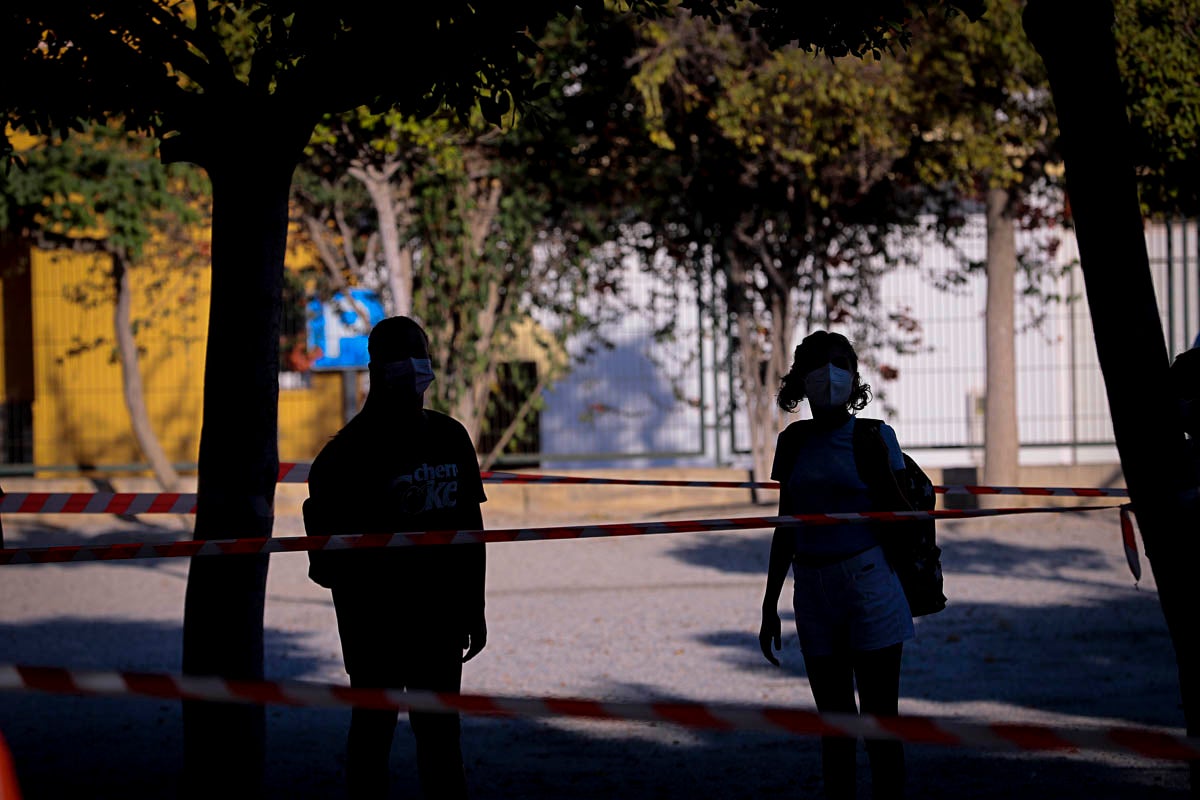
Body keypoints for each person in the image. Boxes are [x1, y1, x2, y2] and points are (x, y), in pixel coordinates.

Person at [303, 315, 487, 800]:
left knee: (442, 739)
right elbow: (324, 563)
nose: (414, 366)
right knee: (372, 735)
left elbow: (471, 530)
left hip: (441, 622)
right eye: (404, 355)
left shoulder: (451, 438)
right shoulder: (343, 459)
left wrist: (475, 607)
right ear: (377, 368)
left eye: (419, 352)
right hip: (374, 628)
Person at [758, 330, 914, 800]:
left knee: (881, 725)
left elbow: (907, 519)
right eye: (819, 364)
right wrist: (769, 604)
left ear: (854, 375)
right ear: (801, 379)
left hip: (870, 584)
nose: (830, 373)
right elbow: (786, 525)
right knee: (835, 727)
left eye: (840, 362)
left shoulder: (874, 437)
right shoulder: (792, 441)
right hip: (811, 590)